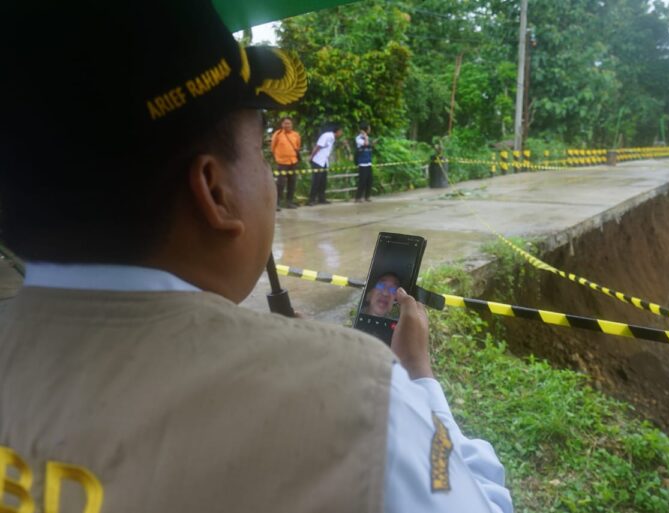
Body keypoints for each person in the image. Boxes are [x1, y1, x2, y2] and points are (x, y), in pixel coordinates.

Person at [0, 2, 513, 513]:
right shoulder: (358, 397)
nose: (270, 180)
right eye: (260, 154)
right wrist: (418, 379)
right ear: (214, 190)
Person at [308, 123, 343, 206]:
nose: (341, 133)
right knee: (316, 181)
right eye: (341, 131)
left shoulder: (333, 138)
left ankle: (321, 198)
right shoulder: (326, 136)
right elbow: (318, 146)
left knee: (323, 181)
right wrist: (311, 156)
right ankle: (311, 200)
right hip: (318, 160)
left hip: (324, 161)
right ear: (337, 131)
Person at [271, 116, 302, 210]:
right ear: (282, 124)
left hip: (293, 162)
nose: (287, 125)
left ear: (292, 125)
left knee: (292, 182)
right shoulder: (277, 134)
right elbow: (272, 148)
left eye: (289, 123)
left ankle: (289, 202)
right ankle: (277, 203)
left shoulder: (296, 135)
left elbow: (298, 146)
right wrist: (278, 157)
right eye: (285, 123)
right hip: (282, 163)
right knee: (280, 184)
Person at [355, 121, 375, 202]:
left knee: (369, 180)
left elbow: (369, 146)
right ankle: (358, 197)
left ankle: (367, 196)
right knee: (362, 180)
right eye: (369, 128)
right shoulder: (358, 138)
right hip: (362, 162)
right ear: (365, 129)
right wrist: (365, 137)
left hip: (368, 161)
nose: (370, 129)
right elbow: (365, 144)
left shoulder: (367, 137)